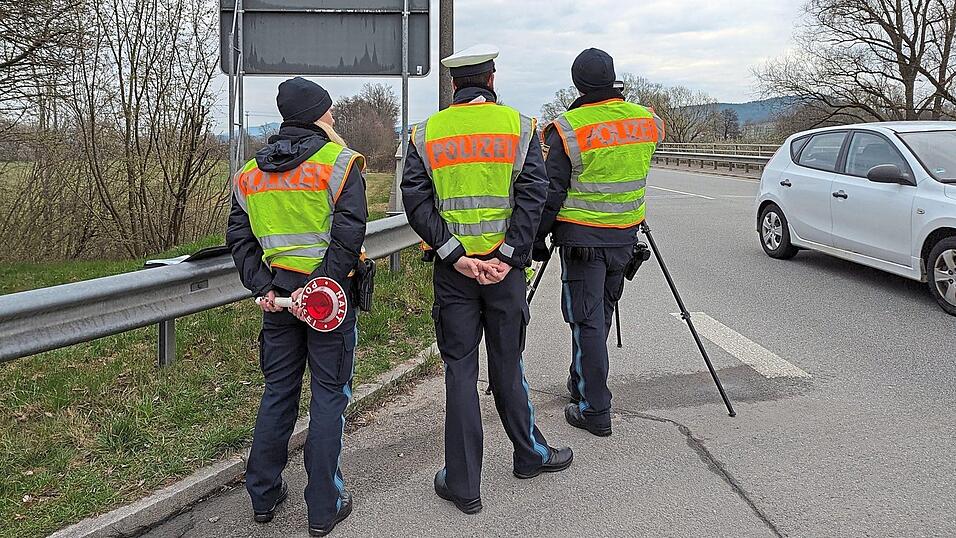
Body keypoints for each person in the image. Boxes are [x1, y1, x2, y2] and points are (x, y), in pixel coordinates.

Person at [401, 44, 573, 515]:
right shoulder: (520, 127)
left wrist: (454, 254)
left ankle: (463, 485)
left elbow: (416, 202)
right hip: (504, 273)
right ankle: (529, 455)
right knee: (507, 362)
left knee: (460, 370)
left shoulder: (425, 133)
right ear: (491, 80)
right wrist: (510, 255)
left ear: (454, 84)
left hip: (453, 273)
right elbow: (535, 194)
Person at [226, 77, 367, 537]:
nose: (333, 116)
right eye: (329, 110)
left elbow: (240, 238)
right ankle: (324, 506)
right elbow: (349, 235)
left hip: (278, 299)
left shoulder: (250, 173)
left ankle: (263, 495)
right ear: (317, 115)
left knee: (279, 392)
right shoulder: (339, 163)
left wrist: (264, 286)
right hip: (328, 302)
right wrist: (321, 289)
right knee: (329, 395)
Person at [534, 48, 665, 437]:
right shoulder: (645, 120)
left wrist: (535, 238)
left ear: (577, 84)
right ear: (613, 78)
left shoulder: (567, 128)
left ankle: (595, 408)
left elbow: (551, 192)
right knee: (600, 314)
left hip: (582, 242)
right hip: (625, 238)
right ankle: (581, 381)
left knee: (586, 320)